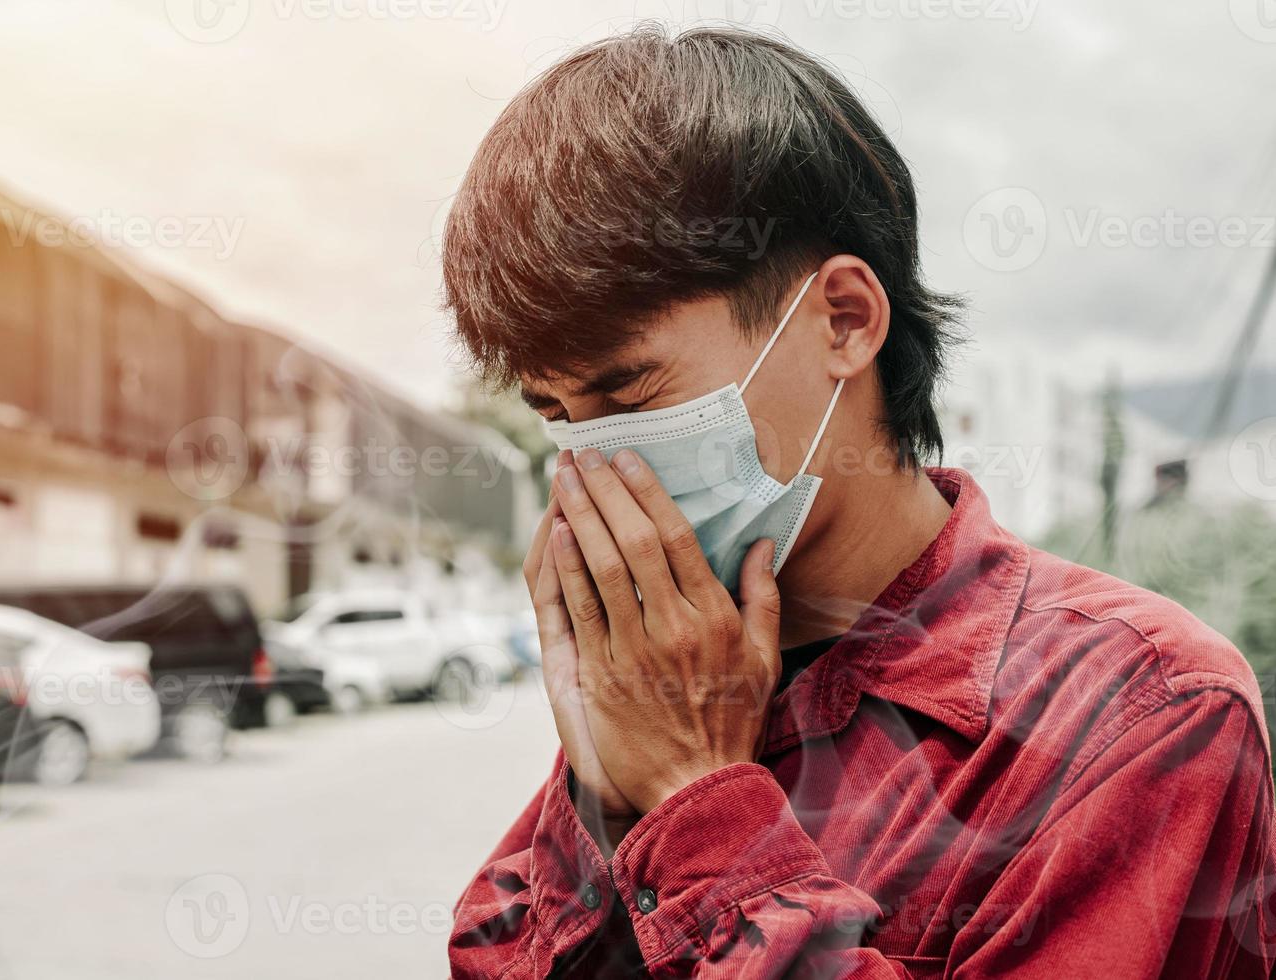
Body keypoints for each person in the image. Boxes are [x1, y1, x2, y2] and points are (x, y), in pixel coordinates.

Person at [441, 24, 1275, 978]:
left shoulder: (1136, 711)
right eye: (556, 414)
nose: (592, 461)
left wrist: (696, 798)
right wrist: (609, 797)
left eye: (631, 398)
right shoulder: (671, 667)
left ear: (843, 319)